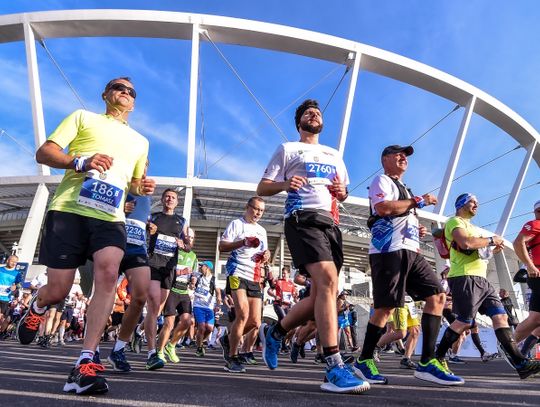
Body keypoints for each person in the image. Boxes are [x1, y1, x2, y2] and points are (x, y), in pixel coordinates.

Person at [16, 77, 155, 395]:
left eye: (131, 92)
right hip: (69, 209)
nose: (125, 93)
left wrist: (141, 187)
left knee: (108, 273)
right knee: (58, 290)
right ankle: (38, 306)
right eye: (119, 87)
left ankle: (85, 361)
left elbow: (134, 183)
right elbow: (45, 152)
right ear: (106, 94)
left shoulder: (140, 142)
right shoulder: (83, 118)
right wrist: (80, 161)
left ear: (134, 103)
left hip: (110, 216)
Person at [256, 99, 368, 394]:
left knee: (324, 294)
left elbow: (342, 191)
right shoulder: (288, 149)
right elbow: (262, 187)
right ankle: (333, 365)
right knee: (329, 282)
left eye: (317, 113)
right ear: (299, 123)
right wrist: (284, 184)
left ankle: (276, 331)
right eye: (307, 113)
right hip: (301, 219)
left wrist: (343, 192)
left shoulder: (334, 155)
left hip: (331, 225)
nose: (313, 115)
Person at [355, 144, 463, 387]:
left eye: (406, 155)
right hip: (389, 252)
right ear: (385, 159)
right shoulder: (381, 180)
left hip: (411, 251)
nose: (403, 157)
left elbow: (400, 213)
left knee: (437, 294)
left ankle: (427, 362)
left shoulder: (404, 188)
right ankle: (363, 360)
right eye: (398, 153)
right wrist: (419, 201)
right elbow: (383, 208)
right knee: (385, 309)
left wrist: (416, 227)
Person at [435, 193, 540, 380]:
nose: (476, 204)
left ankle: (520, 363)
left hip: (482, 279)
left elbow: (479, 252)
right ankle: (437, 357)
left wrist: (491, 248)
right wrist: (491, 240)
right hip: (464, 276)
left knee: (501, 317)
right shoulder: (455, 222)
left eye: (477, 201)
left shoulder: (474, 228)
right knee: (465, 321)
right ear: (461, 204)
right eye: (472, 201)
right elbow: (465, 243)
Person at [219, 197, 270, 373]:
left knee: (255, 322)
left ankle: (228, 339)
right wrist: (242, 242)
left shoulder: (262, 230)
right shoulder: (236, 224)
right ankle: (232, 357)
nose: (257, 213)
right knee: (242, 314)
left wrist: (266, 255)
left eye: (261, 211)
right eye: (255, 209)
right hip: (237, 272)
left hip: (254, 276)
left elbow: (263, 252)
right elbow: (222, 246)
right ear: (247, 207)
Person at [107, 180, 152, 372]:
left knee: (140, 297)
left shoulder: (147, 195)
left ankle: (118, 349)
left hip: (137, 249)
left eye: (145, 166)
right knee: (105, 296)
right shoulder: (118, 182)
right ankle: (88, 352)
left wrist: (150, 227)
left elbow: (140, 218)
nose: (142, 170)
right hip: (113, 242)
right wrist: (118, 210)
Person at [144, 188, 188, 370]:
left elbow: (188, 246)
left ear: (177, 202)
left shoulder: (182, 221)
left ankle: (142, 333)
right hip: (153, 263)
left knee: (159, 307)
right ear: (162, 199)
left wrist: (183, 244)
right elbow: (144, 232)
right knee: (153, 305)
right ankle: (151, 352)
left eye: (173, 197)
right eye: (167, 196)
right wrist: (149, 229)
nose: (170, 199)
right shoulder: (153, 217)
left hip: (169, 268)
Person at [158, 227, 197, 364]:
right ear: (182, 237)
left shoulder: (193, 256)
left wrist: (193, 280)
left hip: (184, 291)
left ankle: (171, 345)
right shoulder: (174, 251)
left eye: (192, 238)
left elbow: (193, 274)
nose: (189, 239)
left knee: (187, 321)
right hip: (172, 290)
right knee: (168, 324)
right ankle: (159, 352)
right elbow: (165, 269)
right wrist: (181, 272)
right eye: (187, 236)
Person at [513, 200, 540, 357]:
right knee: (536, 319)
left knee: (537, 319)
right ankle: (509, 345)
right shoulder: (536, 224)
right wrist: (529, 266)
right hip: (537, 275)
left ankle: (516, 349)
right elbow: (518, 242)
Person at [193, 261, 222, 356]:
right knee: (201, 327)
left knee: (209, 329)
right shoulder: (198, 276)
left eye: (202, 266)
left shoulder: (214, 279)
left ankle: (200, 341)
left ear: (207, 267)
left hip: (209, 307)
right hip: (198, 306)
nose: (201, 267)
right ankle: (199, 347)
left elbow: (218, 292)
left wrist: (218, 303)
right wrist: (192, 284)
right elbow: (191, 282)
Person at [0, 255, 22, 333]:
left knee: (4, 317)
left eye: (15, 262)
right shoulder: (1, 270)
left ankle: (2, 332)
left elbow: (19, 285)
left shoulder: (17, 273)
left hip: (7, 298)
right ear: (7, 260)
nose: (14, 263)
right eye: (12, 261)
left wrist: (15, 286)